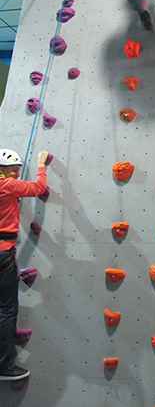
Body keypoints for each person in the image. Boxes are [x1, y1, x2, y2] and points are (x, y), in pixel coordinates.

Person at [0, 149, 48, 381]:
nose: (17, 175)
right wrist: (40, 165)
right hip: (2, 253)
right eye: (14, 170)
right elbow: (38, 188)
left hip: (5, 253)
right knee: (7, 309)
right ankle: (5, 365)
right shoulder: (7, 186)